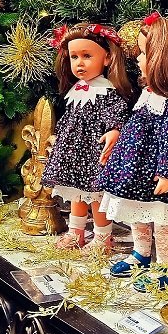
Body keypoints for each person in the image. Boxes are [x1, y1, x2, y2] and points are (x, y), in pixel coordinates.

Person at [97, 12, 168, 290]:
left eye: (144, 54)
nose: (138, 59)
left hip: (156, 174)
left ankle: (164, 266)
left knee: (161, 220)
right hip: (135, 170)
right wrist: (119, 138)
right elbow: (137, 123)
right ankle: (140, 253)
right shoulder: (147, 92)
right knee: (137, 213)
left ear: (162, 58)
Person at [41, 23, 132, 252]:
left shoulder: (106, 90)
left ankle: (102, 237)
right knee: (76, 195)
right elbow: (69, 119)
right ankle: (76, 232)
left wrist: (114, 130)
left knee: (96, 196)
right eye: (74, 57)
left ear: (107, 58)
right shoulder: (75, 91)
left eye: (87, 56)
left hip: (94, 154)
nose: (79, 63)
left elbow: (117, 114)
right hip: (74, 154)